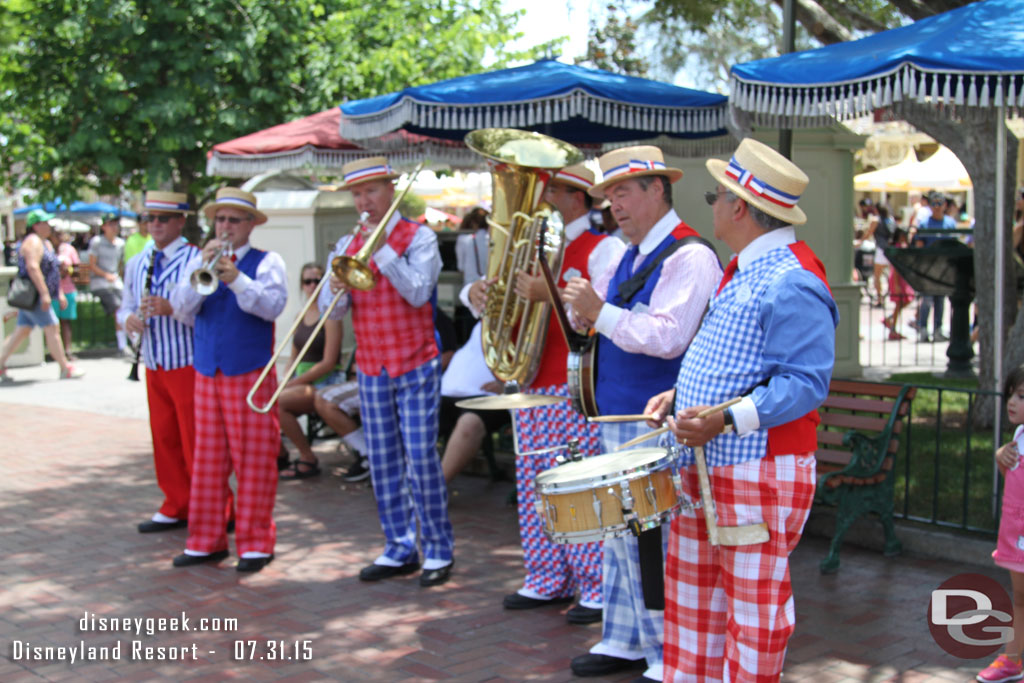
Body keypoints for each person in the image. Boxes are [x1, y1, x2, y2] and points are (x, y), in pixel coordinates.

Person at [644, 137, 838, 682]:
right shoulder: (750, 268)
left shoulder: (791, 278)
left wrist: (723, 419)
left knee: (752, 621)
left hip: (756, 469)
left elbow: (804, 384)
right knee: (695, 610)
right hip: (717, 464)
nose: (708, 205)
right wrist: (681, 397)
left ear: (738, 208)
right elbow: (735, 363)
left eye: (714, 195)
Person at [561, 145, 721, 681]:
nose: (613, 207)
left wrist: (597, 312)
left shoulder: (690, 255)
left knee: (654, 542)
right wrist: (581, 311)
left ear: (657, 189)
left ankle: (666, 655)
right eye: (609, 197)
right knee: (621, 536)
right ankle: (625, 639)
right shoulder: (629, 254)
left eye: (623, 193)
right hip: (621, 416)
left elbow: (668, 338)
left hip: (657, 422)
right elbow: (601, 320)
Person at [484, 162, 624, 624]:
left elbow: (600, 318)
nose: (542, 197)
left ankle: (594, 586)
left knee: (577, 485)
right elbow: (507, 304)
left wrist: (553, 293)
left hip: (572, 384)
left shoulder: (604, 248)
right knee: (534, 485)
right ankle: (545, 577)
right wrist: (481, 295)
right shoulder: (532, 249)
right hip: (531, 381)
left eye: (553, 190)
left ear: (577, 198)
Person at [319, 156, 454, 588]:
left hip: (415, 361)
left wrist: (380, 251)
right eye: (358, 194)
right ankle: (399, 546)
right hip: (372, 366)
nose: (364, 201)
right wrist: (336, 289)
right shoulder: (344, 245)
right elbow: (332, 311)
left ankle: (437, 549)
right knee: (383, 461)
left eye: (371, 191)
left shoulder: (420, 236)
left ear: (390, 191)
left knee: (420, 459)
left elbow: (418, 292)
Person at [169, 187, 287, 573]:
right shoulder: (199, 259)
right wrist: (197, 274)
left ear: (251, 225)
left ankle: (255, 543)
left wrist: (236, 279)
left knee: (253, 459)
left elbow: (271, 308)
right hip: (207, 369)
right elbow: (183, 312)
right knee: (207, 460)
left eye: (234, 220)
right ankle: (205, 540)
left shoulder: (268, 262)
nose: (225, 227)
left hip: (248, 371)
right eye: (220, 219)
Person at [117, 191, 206, 533]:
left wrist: (173, 309)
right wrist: (128, 320)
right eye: (149, 218)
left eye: (163, 218)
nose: (154, 224)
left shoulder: (195, 260)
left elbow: (208, 315)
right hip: (153, 361)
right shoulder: (138, 261)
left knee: (195, 440)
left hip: (187, 361)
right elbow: (124, 305)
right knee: (164, 437)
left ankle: (212, 506)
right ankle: (176, 503)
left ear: (181, 221)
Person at [977, 364, 1024, 683]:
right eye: (1011, 394)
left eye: (1021, 396)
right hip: (1015, 532)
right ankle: (1013, 659)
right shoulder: (1019, 434)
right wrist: (1000, 457)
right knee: (1019, 597)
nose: (1012, 402)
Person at [278, 262, 345, 480]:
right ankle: (279, 453)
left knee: (276, 404)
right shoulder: (301, 315)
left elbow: (328, 362)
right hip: (301, 380)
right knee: (264, 401)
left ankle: (307, 458)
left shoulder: (331, 315)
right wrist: (287, 377)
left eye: (317, 280)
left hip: (323, 380)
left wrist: (293, 384)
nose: (312, 285)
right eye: (308, 281)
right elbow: (294, 355)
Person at [0, 209, 84, 381]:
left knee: (21, 332)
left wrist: (58, 292)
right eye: (45, 223)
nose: (49, 226)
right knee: (53, 328)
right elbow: (33, 268)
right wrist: (45, 294)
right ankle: (64, 367)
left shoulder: (44, 242)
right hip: (35, 296)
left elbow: (51, 271)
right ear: (36, 225)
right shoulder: (33, 242)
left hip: (38, 295)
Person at [437, 320, 508, 483]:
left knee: (469, 424)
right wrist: (470, 292)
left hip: (489, 398)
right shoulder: (485, 318)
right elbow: (466, 296)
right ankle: (408, 484)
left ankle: (433, 492)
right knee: (413, 419)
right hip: (447, 392)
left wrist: (508, 386)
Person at [913, 191, 957, 343]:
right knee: (927, 299)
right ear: (930, 206)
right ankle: (923, 328)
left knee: (940, 299)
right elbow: (919, 246)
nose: (937, 207)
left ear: (945, 205)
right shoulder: (924, 223)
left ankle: (938, 329)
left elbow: (954, 245)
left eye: (940, 203)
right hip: (928, 268)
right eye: (934, 203)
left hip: (944, 268)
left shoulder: (950, 223)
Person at [88, 213, 128, 355]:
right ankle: (123, 345)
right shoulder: (97, 242)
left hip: (116, 282)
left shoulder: (121, 244)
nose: (114, 227)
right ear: (104, 226)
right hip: (100, 283)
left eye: (115, 224)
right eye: (110, 224)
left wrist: (117, 276)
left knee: (128, 306)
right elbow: (92, 265)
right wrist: (106, 275)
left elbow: (120, 265)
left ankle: (133, 341)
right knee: (118, 308)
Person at [48, 228, 81, 358]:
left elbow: (77, 270)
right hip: (53, 291)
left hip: (68, 290)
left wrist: (68, 271)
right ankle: (55, 352)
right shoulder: (47, 249)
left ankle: (67, 350)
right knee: (52, 324)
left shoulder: (69, 249)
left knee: (66, 322)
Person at [882, 227, 914, 341]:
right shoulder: (897, 248)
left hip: (902, 278)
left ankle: (890, 320)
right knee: (900, 302)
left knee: (906, 300)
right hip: (897, 278)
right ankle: (892, 328)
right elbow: (895, 267)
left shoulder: (902, 247)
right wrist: (896, 283)